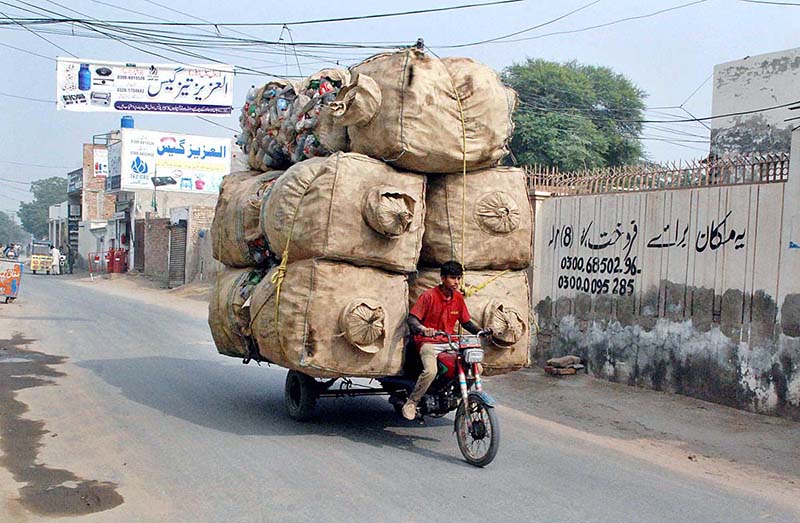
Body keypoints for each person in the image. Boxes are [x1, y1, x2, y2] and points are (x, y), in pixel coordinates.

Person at [402, 260, 490, 420]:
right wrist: (423, 329)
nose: (456, 282)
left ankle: (457, 394)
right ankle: (412, 402)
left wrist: (480, 331)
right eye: (452, 278)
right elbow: (412, 319)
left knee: (477, 368)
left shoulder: (458, 298)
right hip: (428, 343)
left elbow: (466, 321)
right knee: (431, 371)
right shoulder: (428, 296)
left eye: (458, 278)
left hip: (450, 342)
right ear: (442, 278)